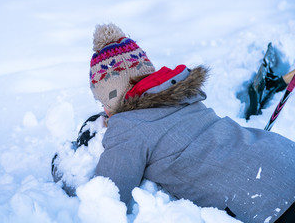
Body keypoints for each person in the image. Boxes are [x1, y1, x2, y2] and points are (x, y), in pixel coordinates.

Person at [85, 23, 295, 223]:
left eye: (102, 101)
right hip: (282, 152)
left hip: (270, 199)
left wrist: (65, 168)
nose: (103, 109)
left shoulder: (128, 127)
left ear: (114, 97)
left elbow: (106, 195)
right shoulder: (182, 97)